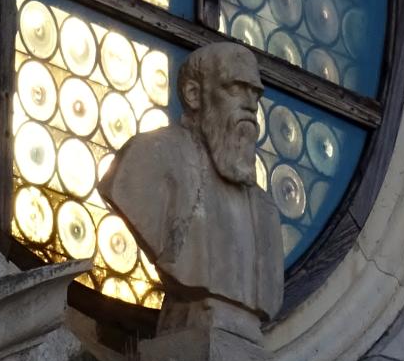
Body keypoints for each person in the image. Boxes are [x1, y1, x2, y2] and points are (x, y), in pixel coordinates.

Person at [103, 40, 283, 331]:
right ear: (194, 94)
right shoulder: (148, 159)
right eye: (235, 88)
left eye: (255, 93)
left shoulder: (266, 211)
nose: (250, 104)